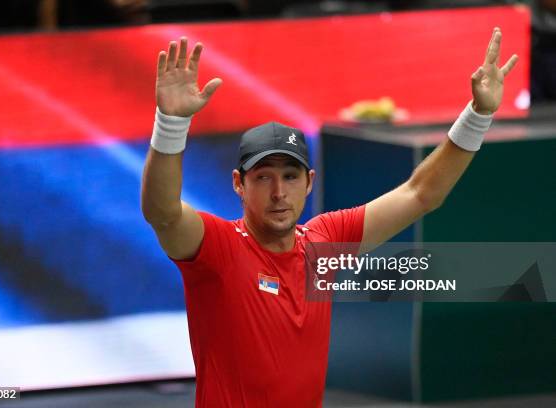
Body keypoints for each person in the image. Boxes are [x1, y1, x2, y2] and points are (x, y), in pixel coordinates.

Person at [140, 29, 517, 407]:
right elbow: (163, 213)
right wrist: (171, 125)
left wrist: (478, 115)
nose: (278, 192)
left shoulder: (324, 242)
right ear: (239, 184)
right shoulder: (218, 249)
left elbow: (420, 194)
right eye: (263, 177)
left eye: (290, 177)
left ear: (309, 183)